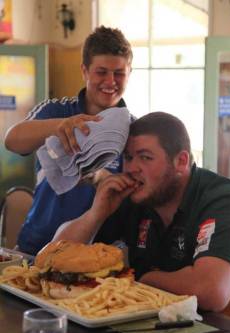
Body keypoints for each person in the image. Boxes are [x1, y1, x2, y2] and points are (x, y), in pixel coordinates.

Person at [54, 111, 230, 312]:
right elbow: (55, 255)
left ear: (181, 161)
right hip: (164, 326)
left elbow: (211, 291)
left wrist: (141, 279)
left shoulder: (225, 199)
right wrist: (96, 214)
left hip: (229, 331)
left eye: (145, 157)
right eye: (128, 157)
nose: (131, 168)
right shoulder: (137, 196)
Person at [4, 26, 133, 255]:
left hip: (98, 254)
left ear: (129, 73)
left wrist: (104, 178)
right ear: (84, 71)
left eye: (119, 73)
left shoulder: (135, 127)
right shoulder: (55, 109)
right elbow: (12, 140)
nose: (110, 81)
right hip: (37, 247)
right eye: (101, 72)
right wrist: (56, 127)